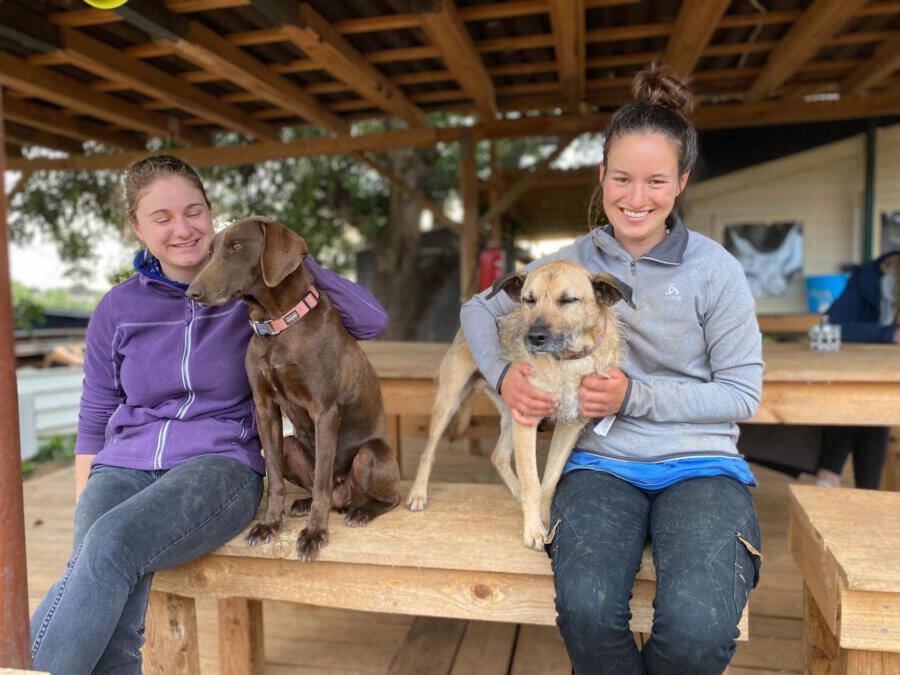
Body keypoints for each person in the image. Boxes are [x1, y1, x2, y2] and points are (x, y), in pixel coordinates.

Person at [29, 154, 388, 674]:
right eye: (162, 217)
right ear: (137, 228)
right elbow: (96, 411)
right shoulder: (117, 308)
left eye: (193, 211)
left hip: (218, 466)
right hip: (123, 465)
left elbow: (371, 321)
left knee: (109, 544)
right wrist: (85, 497)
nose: (182, 229)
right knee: (99, 558)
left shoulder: (255, 297)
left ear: (211, 214)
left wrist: (284, 259)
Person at [461, 68, 763, 674]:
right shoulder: (567, 262)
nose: (636, 197)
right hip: (599, 464)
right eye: (622, 178)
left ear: (681, 182)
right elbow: (477, 309)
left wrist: (633, 396)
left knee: (698, 630)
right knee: (588, 611)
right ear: (601, 176)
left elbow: (741, 393)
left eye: (656, 181)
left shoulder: (715, 270)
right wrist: (504, 377)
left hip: (700, 464)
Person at [814, 250, 899, 489]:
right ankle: (849, 484)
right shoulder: (869, 278)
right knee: (861, 395)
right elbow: (832, 323)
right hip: (861, 372)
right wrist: (889, 334)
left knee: (872, 400)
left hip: (885, 377)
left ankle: (829, 476)